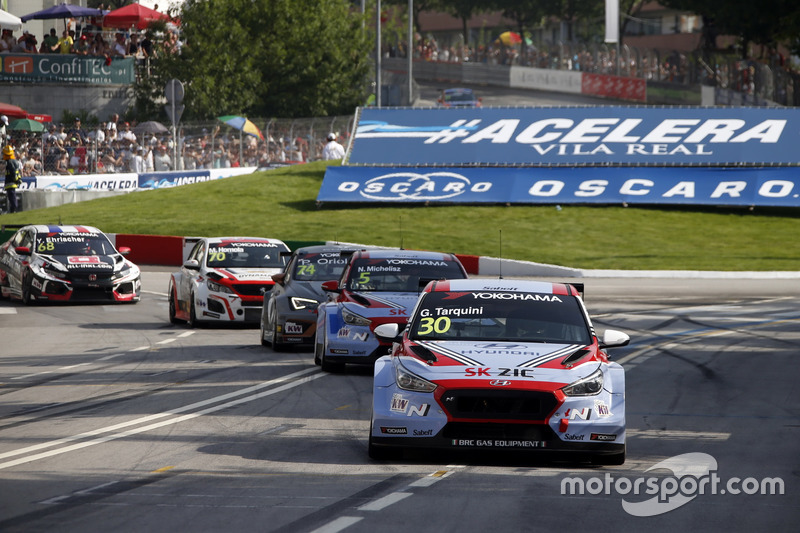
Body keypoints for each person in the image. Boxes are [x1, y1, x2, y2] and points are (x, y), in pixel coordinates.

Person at [3, 145, 23, 213]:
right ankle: (13, 208)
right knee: (12, 196)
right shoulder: (14, 161)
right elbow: (17, 172)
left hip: (10, 182)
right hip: (12, 182)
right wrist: (18, 179)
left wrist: (16, 179)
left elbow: (13, 172)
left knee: (12, 196)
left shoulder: (9, 162)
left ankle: (13, 209)